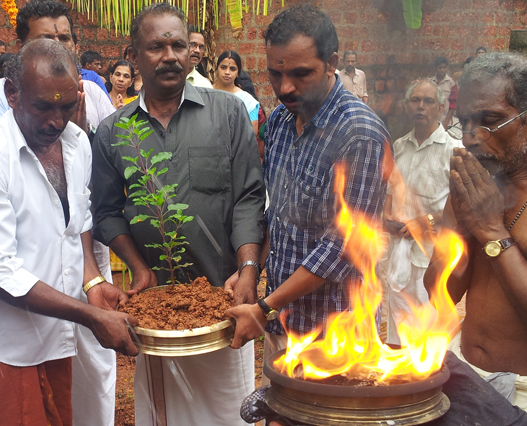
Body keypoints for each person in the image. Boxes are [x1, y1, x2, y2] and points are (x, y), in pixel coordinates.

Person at [0, 39, 139, 426]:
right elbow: (0, 274)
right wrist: (90, 316)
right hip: (4, 344)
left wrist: (93, 281)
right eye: (42, 106)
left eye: (67, 107)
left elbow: (77, 224)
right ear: (12, 94)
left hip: (56, 333)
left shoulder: (77, 142)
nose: (55, 120)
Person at [92, 4, 266, 425]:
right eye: (156, 46)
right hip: (155, 313)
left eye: (178, 45)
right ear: (134, 55)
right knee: (163, 411)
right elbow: (106, 211)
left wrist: (247, 269)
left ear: (192, 54)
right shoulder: (114, 132)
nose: (169, 55)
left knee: (228, 412)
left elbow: (248, 196)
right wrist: (137, 267)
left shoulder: (227, 114)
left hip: (221, 303)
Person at [224, 5, 390, 382]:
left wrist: (264, 305)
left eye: (300, 74)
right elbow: (277, 214)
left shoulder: (359, 133)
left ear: (331, 63)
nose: (285, 87)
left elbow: (342, 248)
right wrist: (251, 270)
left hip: (336, 335)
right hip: (282, 324)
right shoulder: (281, 121)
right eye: (275, 73)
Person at [425, 52, 527, 410]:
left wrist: (491, 232)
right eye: (466, 122)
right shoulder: (477, 188)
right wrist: (459, 226)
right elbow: (441, 292)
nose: (471, 138)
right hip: (466, 374)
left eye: (491, 121)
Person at [382, 80, 462, 345]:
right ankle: (399, 384)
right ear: (407, 106)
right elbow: (391, 192)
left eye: (428, 102)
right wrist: (386, 215)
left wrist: (426, 221)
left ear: (441, 107)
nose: (421, 106)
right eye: (415, 100)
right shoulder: (400, 146)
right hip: (399, 250)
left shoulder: (454, 151)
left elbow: (462, 204)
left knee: (428, 331)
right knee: (398, 326)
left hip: (431, 256)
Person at [0, 0, 114, 137]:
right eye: (46, 40)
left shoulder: (92, 91)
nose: (58, 47)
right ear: (21, 47)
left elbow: (117, 148)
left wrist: (86, 133)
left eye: (64, 38)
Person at [213, 50, 260, 136]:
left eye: (232, 69)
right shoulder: (206, 92)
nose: (227, 72)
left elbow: (250, 135)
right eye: (223, 67)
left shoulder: (247, 101)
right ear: (216, 69)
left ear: (238, 73)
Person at [430, 56, 455, 127]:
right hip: (431, 122)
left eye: (444, 68)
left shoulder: (451, 83)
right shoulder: (430, 82)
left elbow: (453, 105)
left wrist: (446, 123)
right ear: (435, 68)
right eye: (440, 68)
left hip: (446, 122)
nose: (442, 70)